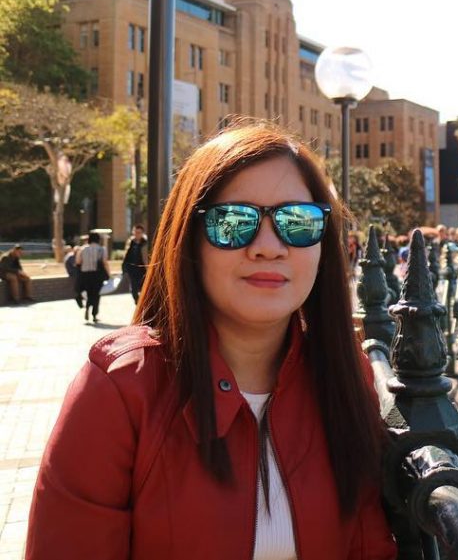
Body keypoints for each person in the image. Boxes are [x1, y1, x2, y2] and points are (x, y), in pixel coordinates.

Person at [27, 123, 395, 559]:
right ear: (190, 241)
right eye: (234, 222)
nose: (268, 246)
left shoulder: (346, 379)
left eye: (297, 222)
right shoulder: (119, 392)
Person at [75, 232, 110, 324]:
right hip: (97, 275)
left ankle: (87, 307)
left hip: (85, 274)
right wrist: (108, 274)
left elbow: (78, 261)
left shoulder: (82, 249)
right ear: (98, 239)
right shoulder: (102, 249)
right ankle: (94, 315)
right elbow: (104, 262)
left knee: (89, 293)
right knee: (96, 295)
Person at [123, 224, 149, 304]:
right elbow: (126, 255)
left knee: (143, 286)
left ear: (142, 233)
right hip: (132, 268)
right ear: (133, 232)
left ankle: (142, 302)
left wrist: (147, 269)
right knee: (133, 287)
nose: (137, 234)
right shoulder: (130, 242)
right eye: (136, 232)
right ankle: (137, 301)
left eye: (139, 232)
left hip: (141, 269)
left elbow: (145, 257)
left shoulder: (144, 243)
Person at [62, 244, 82, 308]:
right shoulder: (72, 257)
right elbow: (76, 264)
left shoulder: (72, 256)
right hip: (73, 273)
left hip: (74, 273)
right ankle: (79, 297)